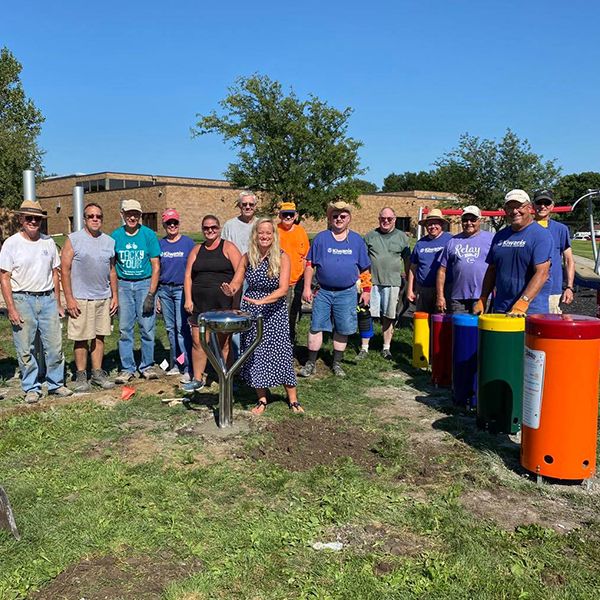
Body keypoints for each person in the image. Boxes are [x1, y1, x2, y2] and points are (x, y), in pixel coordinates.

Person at [221, 218, 303, 414]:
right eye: (261, 232)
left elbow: (283, 289)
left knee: (281, 353)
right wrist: (229, 290)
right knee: (255, 354)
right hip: (252, 311)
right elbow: (236, 283)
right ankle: (262, 399)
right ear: (255, 235)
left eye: (268, 232)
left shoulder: (282, 257)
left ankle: (293, 400)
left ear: (274, 235)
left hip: (274, 312)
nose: (264, 236)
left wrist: (263, 301)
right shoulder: (248, 257)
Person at [0, 200, 73, 403]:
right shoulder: (11, 244)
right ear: (21, 220)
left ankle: (56, 383)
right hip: (22, 298)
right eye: (29, 218)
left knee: (55, 345)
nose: (33, 222)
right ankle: (31, 387)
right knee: (26, 348)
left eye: (37, 219)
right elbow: (4, 277)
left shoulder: (48, 242)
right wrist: (11, 308)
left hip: (47, 298)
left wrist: (58, 302)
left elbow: (55, 273)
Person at [299, 201, 371, 378]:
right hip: (322, 291)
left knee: (343, 328)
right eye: (335, 216)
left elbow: (365, 269)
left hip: (347, 292)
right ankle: (311, 363)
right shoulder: (321, 238)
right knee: (316, 326)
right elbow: (309, 264)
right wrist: (307, 287)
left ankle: (337, 363)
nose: (339, 219)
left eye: (343, 216)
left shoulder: (356, 241)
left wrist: (367, 290)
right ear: (330, 218)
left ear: (349, 218)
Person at [61, 202, 118, 392]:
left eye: (98, 216)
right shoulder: (74, 239)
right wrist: (69, 298)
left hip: (102, 297)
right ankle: (81, 375)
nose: (95, 219)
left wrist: (114, 295)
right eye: (91, 216)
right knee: (81, 337)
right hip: (80, 299)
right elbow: (65, 270)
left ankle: (97, 373)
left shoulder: (109, 241)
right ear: (84, 219)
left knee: (99, 336)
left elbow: (111, 271)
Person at [183, 215, 242, 392]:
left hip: (223, 303)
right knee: (198, 341)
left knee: (223, 343)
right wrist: (188, 298)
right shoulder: (196, 249)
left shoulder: (228, 247)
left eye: (213, 227)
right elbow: (187, 276)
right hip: (200, 304)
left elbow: (240, 273)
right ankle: (198, 378)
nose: (210, 231)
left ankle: (226, 376)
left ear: (219, 228)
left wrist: (235, 299)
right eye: (206, 228)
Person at [475, 189, 553, 316]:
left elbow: (542, 273)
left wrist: (523, 302)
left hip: (530, 311)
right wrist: (483, 298)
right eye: (510, 207)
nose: (514, 211)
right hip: (501, 308)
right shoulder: (499, 236)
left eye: (519, 206)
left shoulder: (541, 235)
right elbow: (492, 270)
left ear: (529, 208)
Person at [111, 199, 161, 383]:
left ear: (140, 215)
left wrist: (151, 293)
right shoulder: (115, 236)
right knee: (125, 329)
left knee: (147, 328)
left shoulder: (148, 235)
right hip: (124, 285)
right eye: (129, 214)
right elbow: (112, 266)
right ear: (122, 214)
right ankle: (127, 368)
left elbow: (156, 266)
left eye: (136, 214)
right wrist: (114, 293)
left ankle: (147, 365)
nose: (132, 217)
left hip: (144, 284)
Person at [361, 207, 411, 359]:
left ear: (395, 220)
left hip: (392, 283)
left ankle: (386, 347)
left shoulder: (402, 238)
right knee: (367, 314)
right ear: (379, 219)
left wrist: (409, 282)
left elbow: (408, 261)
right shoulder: (370, 236)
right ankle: (364, 347)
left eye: (389, 219)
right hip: (372, 283)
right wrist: (363, 282)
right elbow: (362, 261)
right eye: (383, 218)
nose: (386, 221)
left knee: (389, 316)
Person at [157, 208, 195, 381]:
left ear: (179, 223)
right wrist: (156, 294)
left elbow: (194, 270)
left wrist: (190, 294)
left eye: (175, 222)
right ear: (164, 225)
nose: (172, 225)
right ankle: (175, 363)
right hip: (164, 290)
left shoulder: (188, 244)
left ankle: (187, 366)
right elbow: (156, 270)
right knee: (170, 329)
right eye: (168, 223)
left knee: (182, 329)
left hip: (181, 289)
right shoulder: (160, 244)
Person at [436, 205, 494, 314]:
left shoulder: (491, 239)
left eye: (473, 220)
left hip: (482, 297)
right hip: (458, 297)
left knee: (480, 329)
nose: (469, 223)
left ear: (479, 220)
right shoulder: (452, 241)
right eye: (465, 220)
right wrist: (440, 296)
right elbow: (441, 271)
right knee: (459, 329)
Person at [532, 189, 575, 314]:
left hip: (552, 291)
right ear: (533, 205)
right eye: (539, 203)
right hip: (526, 288)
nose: (543, 206)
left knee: (549, 330)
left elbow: (569, 260)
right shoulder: (525, 228)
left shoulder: (561, 229)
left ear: (552, 205)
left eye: (547, 203)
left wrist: (569, 287)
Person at [407, 208, 452, 314]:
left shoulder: (450, 240)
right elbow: (413, 268)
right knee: (422, 320)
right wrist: (410, 289)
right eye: (429, 224)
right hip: (423, 289)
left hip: (444, 289)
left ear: (441, 224)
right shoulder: (420, 243)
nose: (432, 227)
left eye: (435, 224)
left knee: (440, 321)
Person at [276, 201, 310, 344]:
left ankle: (290, 341)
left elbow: (306, 256)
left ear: (295, 215)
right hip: (279, 281)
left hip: (297, 281)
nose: (288, 217)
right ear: (280, 215)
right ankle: (278, 341)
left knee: (294, 313)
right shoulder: (275, 230)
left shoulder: (300, 231)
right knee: (279, 314)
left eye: (291, 214)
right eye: (285, 214)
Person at [221, 191, 258, 255]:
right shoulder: (229, 225)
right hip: (234, 263)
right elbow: (223, 248)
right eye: (244, 204)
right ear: (239, 206)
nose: (248, 207)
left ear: (255, 206)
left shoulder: (261, 224)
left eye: (251, 204)